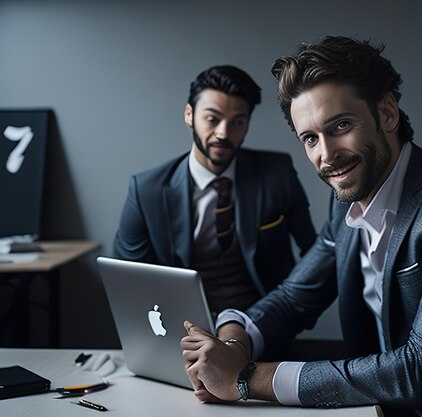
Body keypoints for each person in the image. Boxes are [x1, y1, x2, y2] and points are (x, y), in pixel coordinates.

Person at [180, 37, 422, 417]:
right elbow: (292, 300)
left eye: (340, 126)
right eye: (310, 138)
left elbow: (421, 370)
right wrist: (233, 340)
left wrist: (248, 378)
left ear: (387, 113)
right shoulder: (349, 199)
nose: (326, 155)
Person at [113, 65, 317, 315]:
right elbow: (127, 279)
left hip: (264, 323)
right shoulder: (146, 191)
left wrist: (287, 312)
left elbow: (315, 252)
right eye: (212, 119)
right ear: (189, 114)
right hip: (181, 326)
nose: (223, 132)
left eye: (237, 122)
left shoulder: (277, 173)